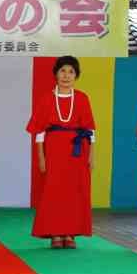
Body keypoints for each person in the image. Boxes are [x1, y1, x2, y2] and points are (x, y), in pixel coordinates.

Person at [26, 56, 95, 249]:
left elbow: (90, 129)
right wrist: (41, 157)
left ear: (76, 76)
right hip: (53, 151)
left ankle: (70, 234)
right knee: (53, 192)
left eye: (71, 72)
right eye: (63, 71)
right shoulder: (47, 98)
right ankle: (55, 233)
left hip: (78, 152)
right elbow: (39, 132)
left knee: (74, 192)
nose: (66, 75)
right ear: (56, 74)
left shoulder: (82, 98)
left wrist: (91, 155)